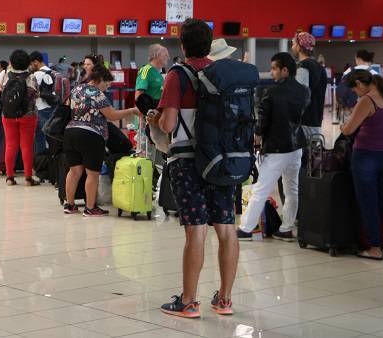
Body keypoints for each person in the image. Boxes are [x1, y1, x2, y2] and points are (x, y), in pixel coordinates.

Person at [154, 18, 239, 318]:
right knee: (227, 229)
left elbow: (167, 124)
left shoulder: (177, 76)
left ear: (182, 45)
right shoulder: (223, 73)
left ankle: (189, 301)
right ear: (211, 43)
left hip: (187, 162)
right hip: (222, 161)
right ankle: (225, 300)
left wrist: (155, 118)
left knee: (196, 231)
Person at [237, 52, 309, 242]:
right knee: (292, 188)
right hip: (296, 146)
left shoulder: (271, 93)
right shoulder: (303, 91)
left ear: (285, 70)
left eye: (274, 68)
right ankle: (286, 228)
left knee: (261, 188)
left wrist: (257, 140)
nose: (271, 72)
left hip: (277, 147)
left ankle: (245, 228)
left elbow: (262, 122)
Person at [63, 64, 140, 216]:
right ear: (99, 80)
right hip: (90, 135)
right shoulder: (97, 93)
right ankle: (90, 208)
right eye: (107, 83)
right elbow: (112, 115)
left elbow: (68, 108)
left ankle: (69, 204)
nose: (107, 87)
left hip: (70, 132)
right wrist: (131, 110)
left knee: (74, 171)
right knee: (92, 173)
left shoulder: (76, 89)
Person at [341, 70, 383, 260]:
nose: (355, 94)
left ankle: (375, 247)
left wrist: (345, 123)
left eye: (354, 90)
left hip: (367, 155)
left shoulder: (367, 100)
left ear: (359, 83)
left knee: (368, 201)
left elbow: (348, 129)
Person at [0, 49, 40, 186]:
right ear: (28, 63)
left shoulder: (5, 75)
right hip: (28, 115)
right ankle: (28, 178)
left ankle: (10, 177)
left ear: (11, 62)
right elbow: (36, 95)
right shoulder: (31, 77)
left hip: (8, 115)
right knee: (26, 145)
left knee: (10, 144)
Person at [292, 32, 327, 140]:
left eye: (293, 43)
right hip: (315, 120)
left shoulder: (303, 67)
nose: (292, 47)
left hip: (304, 122)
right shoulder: (320, 67)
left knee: (304, 155)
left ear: (299, 46)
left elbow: (301, 95)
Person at [30, 51, 56, 155]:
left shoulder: (36, 75)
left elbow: (31, 94)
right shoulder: (52, 72)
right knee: (52, 138)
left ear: (36, 62)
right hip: (52, 108)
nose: (30, 67)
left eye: (31, 64)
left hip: (40, 109)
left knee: (39, 138)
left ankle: (41, 166)